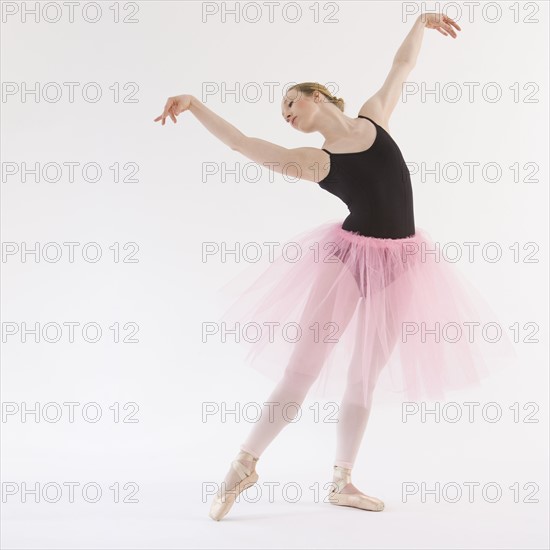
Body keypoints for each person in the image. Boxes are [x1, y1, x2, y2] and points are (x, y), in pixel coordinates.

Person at [155, 13, 516, 520]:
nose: (285, 113)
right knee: (302, 369)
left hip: (405, 260)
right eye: (282, 111)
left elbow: (401, 66)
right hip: (347, 260)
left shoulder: (374, 118)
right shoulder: (317, 161)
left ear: (318, 96)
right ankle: (242, 465)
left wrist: (417, 21)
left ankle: (342, 481)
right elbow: (244, 144)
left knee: (364, 376)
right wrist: (194, 105)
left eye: (290, 101)